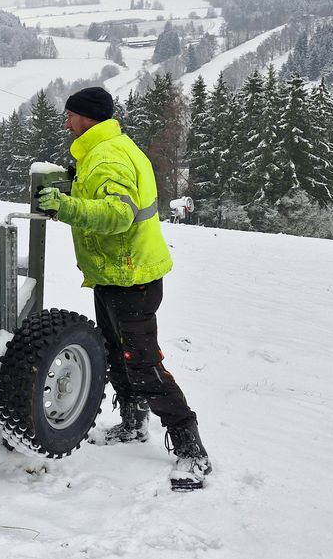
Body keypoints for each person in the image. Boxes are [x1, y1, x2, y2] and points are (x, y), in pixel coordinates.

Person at [36, 86, 212, 491]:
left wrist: (65, 207)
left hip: (131, 276)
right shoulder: (110, 146)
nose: (65, 123)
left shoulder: (108, 155)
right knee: (115, 351)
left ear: (88, 117)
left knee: (143, 364)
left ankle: (192, 449)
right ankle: (133, 423)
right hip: (116, 272)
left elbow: (118, 214)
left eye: (70, 116)